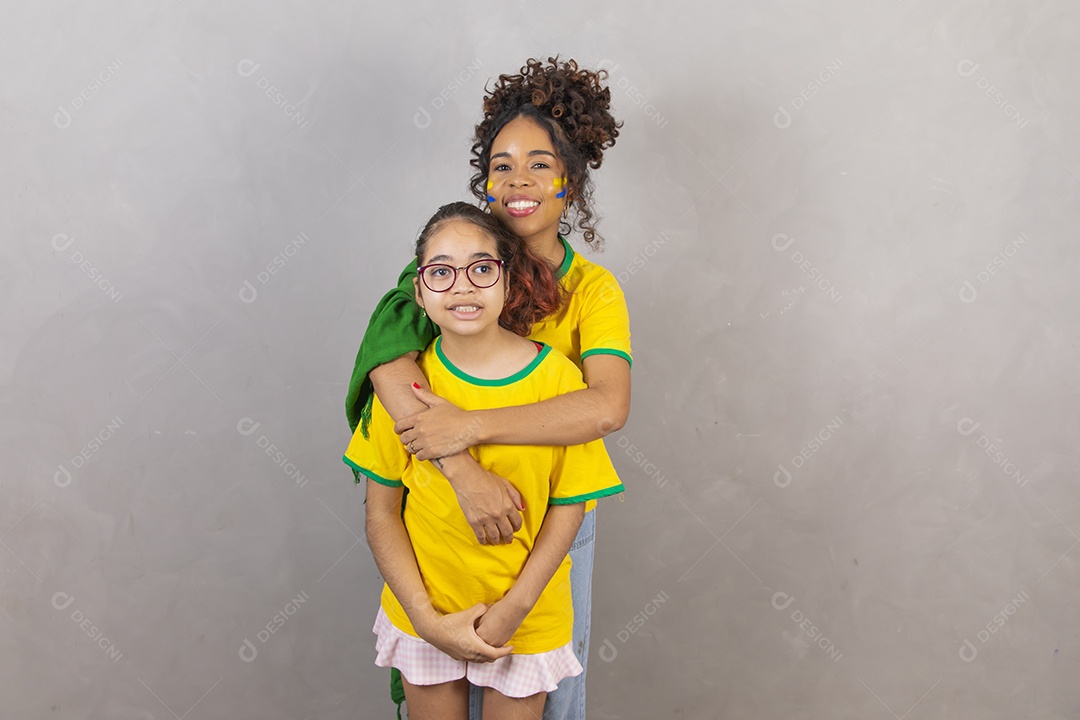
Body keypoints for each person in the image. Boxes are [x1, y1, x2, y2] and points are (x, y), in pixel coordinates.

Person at [345, 57, 629, 720]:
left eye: (540, 163)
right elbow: (390, 364)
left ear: (572, 179)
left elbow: (606, 406)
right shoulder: (454, 264)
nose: (519, 180)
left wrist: (471, 428)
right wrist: (459, 468)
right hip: (440, 523)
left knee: (550, 697)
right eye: (502, 165)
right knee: (440, 677)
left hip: (549, 516)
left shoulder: (592, 291)